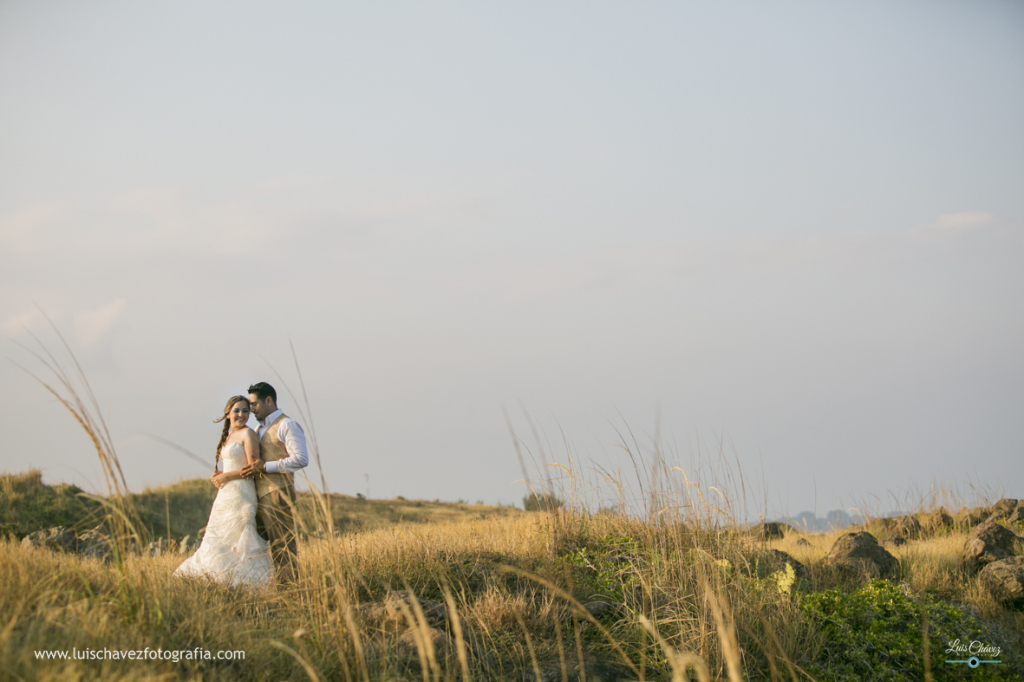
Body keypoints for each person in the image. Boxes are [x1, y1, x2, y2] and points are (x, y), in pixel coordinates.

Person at [174, 395, 273, 587]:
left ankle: (244, 583)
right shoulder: (229, 436)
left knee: (239, 539)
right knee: (219, 537)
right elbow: (233, 464)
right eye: (237, 410)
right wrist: (219, 475)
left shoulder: (248, 434)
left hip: (242, 494)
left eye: (245, 411)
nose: (241, 415)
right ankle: (216, 579)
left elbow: (253, 467)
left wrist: (226, 477)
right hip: (226, 495)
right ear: (228, 413)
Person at [239, 381, 308, 585]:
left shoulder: (287, 425)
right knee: (256, 544)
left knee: (282, 545)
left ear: (268, 400)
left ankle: (290, 590)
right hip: (257, 495)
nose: (251, 410)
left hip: (278, 492)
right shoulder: (259, 428)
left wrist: (266, 466)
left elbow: (301, 459)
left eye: (254, 405)